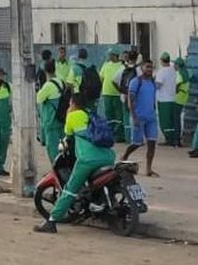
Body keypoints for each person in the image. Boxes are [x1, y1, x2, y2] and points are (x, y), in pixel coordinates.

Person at [34, 91, 117, 234]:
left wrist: (68, 114)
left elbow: (68, 138)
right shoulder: (92, 115)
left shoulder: (72, 116)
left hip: (87, 159)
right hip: (108, 156)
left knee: (69, 190)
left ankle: (51, 221)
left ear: (72, 103)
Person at [124, 59, 159, 177]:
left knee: (152, 142)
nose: (149, 69)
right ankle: (124, 156)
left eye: (151, 67)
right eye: (147, 67)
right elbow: (130, 100)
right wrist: (134, 117)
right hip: (139, 117)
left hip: (151, 117)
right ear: (142, 68)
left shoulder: (153, 82)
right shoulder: (136, 82)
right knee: (137, 143)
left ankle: (149, 169)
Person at [36, 60, 66, 164]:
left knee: (52, 148)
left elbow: (39, 99)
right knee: (63, 146)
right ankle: (65, 167)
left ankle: (56, 169)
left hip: (51, 120)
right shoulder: (62, 82)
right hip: (62, 120)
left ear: (45, 71)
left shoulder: (48, 85)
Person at [155, 52, 180, 146]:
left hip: (164, 100)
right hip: (173, 98)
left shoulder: (161, 72)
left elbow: (158, 85)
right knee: (172, 120)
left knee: (165, 121)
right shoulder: (173, 70)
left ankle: (168, 139)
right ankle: (173, 138)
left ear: (161, 60)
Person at [173, 56, 190, 143]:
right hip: (183, 97)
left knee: (176, 119)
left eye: (175, 64)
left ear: (178, 65)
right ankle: (178, 138)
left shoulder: (180, 74)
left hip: (178, 98)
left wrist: (174, 92)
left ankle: (176, 139)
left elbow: (177, 85)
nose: (174, 66)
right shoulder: (186, 72)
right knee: (178, 118)